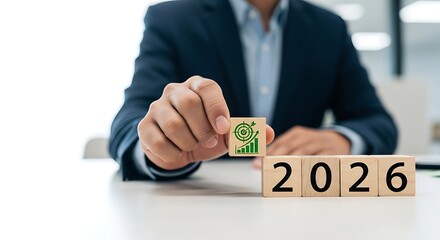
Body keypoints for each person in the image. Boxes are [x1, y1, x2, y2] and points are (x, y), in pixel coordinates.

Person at [109, 0, 398, 181]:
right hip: (199, 209)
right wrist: (160, 148)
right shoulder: (170, 19)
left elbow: (378, 122)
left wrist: (342, 139)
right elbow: (128, 124)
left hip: (302, 209)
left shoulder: (328, 28)